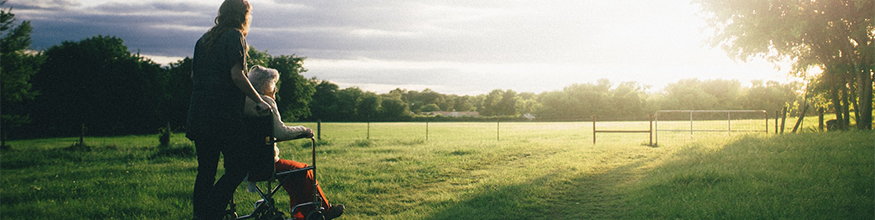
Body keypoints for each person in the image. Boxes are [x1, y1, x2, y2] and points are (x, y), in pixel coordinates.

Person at [186, 0, 269, 219]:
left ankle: (200, 216)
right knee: (239, 166)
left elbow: (195, 77)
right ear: (243, 14)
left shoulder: (202, 40)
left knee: (206, 172)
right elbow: (237, 75)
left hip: (199, 115)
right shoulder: (235, 36)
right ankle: (210, 212)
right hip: (223, 118)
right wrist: (259, 99)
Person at [243, 65, 344, 220]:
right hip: (266, 164)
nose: (276, 89)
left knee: (292, 174)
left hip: (245, 164)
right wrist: (304, 130)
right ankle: (324, 210)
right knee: (303, 170)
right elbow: (281, 132)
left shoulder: (243, 102)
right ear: (266, 85)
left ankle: (301, 214)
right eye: (274, 84)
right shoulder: (266, 102)